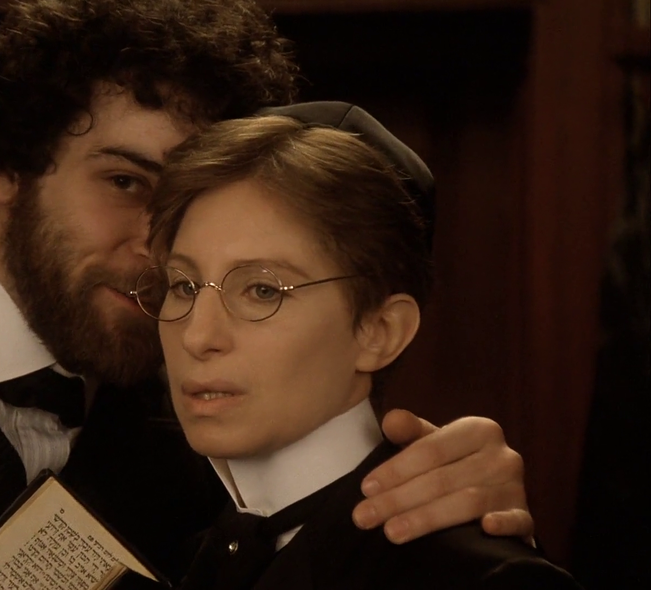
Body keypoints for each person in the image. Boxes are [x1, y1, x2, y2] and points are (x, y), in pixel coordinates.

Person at [0, 1, 529, 588]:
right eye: (125, 181)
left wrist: (457, 508)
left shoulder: (224, 417)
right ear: (7, 163)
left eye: (187, 208)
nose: (158, 247)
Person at [137, 101, 579, 589]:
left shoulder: (479, 578)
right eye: (184, 286)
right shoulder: (179, 554)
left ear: (380, 331)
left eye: (262, 290)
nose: (197, 336)